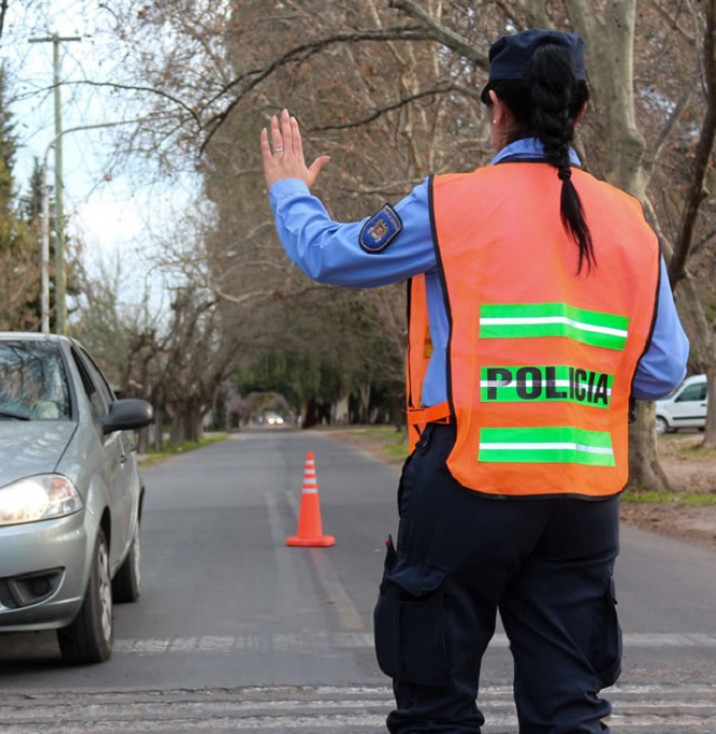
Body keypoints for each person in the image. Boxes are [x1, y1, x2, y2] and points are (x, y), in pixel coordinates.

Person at [260, 29, 690, 734]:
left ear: (495, 106)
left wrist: (289, 194)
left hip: (466, 482)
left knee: (435, 705)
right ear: (582, 111)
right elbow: (663, 368)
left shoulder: (453, 204)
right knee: (568, 708)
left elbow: (330, 256)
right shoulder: (631, 222)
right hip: (582, 497)